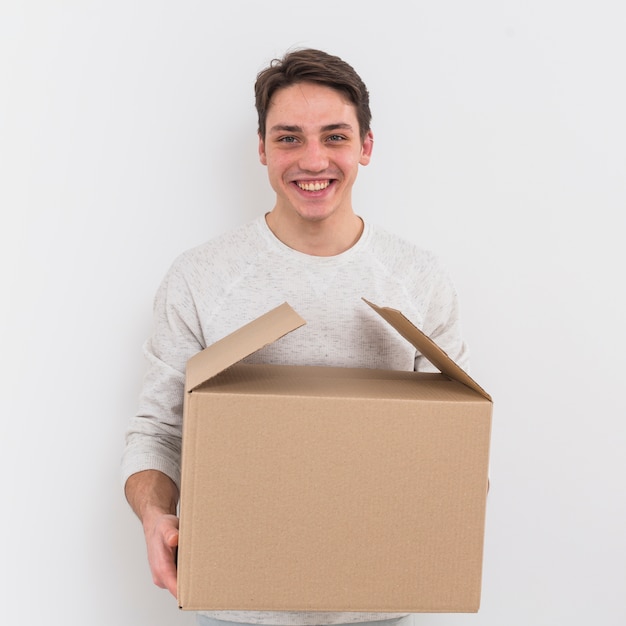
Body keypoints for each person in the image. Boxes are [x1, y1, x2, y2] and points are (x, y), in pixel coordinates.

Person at [122, 48, 469, 626]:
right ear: (261, 149)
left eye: (334, 136)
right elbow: (159, 428)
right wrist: (156, 515)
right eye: (288, 138)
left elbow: (456, 440)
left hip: (378, 603)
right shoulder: (201, 276)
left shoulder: (417, 277)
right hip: (236, 605)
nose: (313, 160)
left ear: (366, 146)